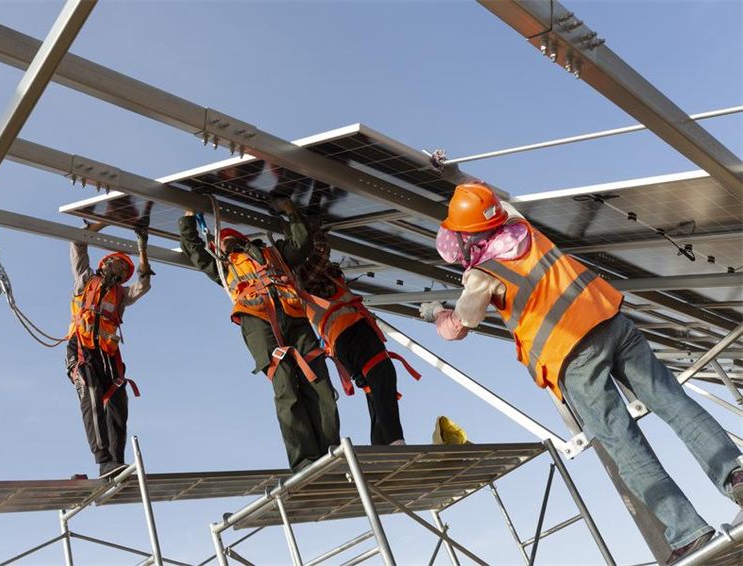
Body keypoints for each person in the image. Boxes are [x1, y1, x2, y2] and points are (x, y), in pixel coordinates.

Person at [420, 182, 743, 562]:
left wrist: (435, 313)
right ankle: (736, 475)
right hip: (609, 320)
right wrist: (457, 182)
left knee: (624, 443)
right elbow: (495, 203)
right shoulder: (524, 229)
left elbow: (457, 327)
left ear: (467, 240)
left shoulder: (481, 275)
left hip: (572, 355)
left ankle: (689, 533)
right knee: (673, 402)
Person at [178, 203, 340, 472]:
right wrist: (187, 219)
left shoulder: (272, 253)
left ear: (241, 240)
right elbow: (193, 250)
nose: (224, 245)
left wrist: (290, 212)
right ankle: (305, 460)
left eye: (228, 239)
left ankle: (330, 452)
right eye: (222, 243)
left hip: (293, 316)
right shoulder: (223, 268)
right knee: (285, 385)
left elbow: (301, 244)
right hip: (259, 322)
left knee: (318, 382)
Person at [287, 204, 418, 446]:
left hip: (345, 338)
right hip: (349, 331)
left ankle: (383, 447)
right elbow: (321, 250)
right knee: (381, 375)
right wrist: (313, 226)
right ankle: (395, 444)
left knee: (375, 388)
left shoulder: (310, 279)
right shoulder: (309, 275)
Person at [66, 221, 153, 479]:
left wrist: (142, 247)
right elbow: (78, 244)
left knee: (118, 403)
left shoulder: (121, 294)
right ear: (104, 265)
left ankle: (116, 462)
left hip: (108, 355)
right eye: (115, 262)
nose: (119, 267)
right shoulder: (85, 280)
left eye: (123, 267)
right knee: (91, 393)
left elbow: (144, 285)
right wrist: (102, 222)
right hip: (82, 349)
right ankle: (103, 460)